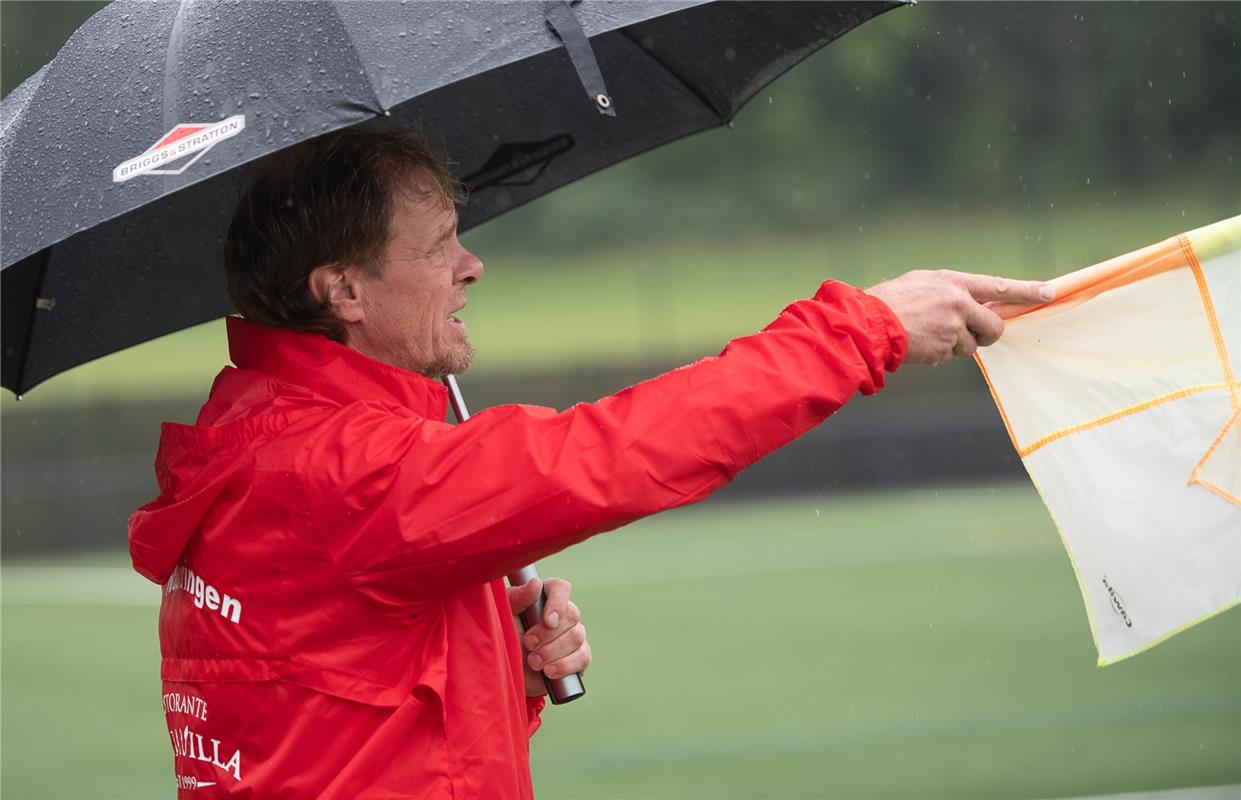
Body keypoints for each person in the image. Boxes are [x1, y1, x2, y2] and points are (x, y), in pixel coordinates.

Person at [129, 127, 1052, 798]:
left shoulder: (269, 440)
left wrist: (496, 666)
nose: (472, 265)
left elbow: (340, 712)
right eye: (441, 242)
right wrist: (867, 329)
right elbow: (616, 453)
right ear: (342, 291)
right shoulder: (339, 469)